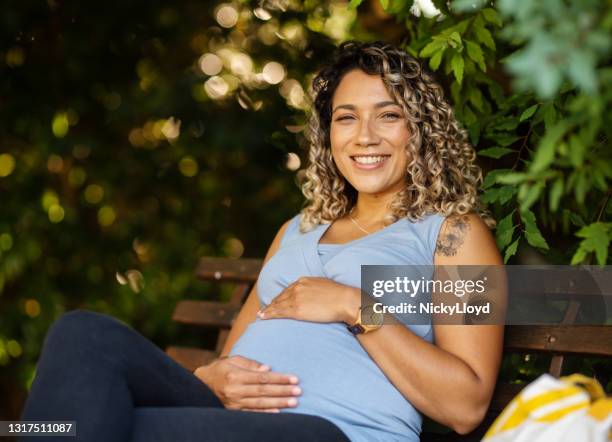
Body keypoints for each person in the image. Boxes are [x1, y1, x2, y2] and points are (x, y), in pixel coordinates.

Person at [20, 40, 504, 442]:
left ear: (420, 129)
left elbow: (466, 404)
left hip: (334, 432)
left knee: (100, 428)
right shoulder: (297, 229)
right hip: (227, 420)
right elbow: (232, 360)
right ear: (328, 134)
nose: (365, 137)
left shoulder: (455, 234)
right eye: (346, 117)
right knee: (83, 333)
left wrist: (354, 305)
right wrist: (207, 379)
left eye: (388, 115)